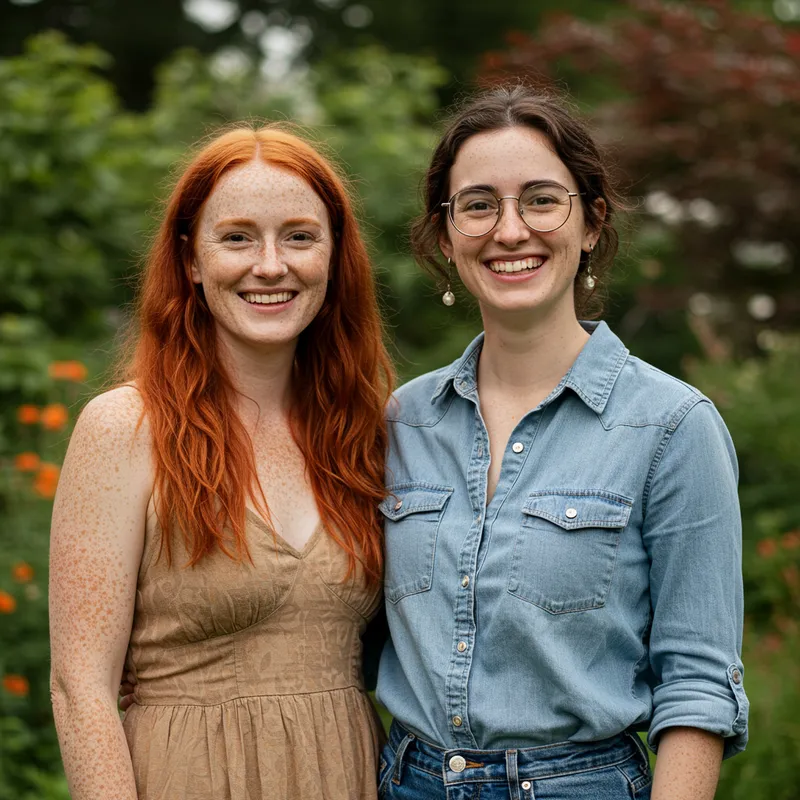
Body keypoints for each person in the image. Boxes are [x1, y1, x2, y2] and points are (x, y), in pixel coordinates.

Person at [374, 84, 749, 800]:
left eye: (542, 200)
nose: (510, 230)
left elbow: (698, 684)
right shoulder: (402, 421)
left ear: (591, 224)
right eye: (478, 205)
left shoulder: (672, 426)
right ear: (447, 237)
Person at [49, 125, 394, 800]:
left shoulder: (363, 433)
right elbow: (79, 687)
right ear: (192, 260)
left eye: (299, 236)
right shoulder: (126, 429)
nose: (270, 265)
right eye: (237, 237)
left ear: (334, 256)